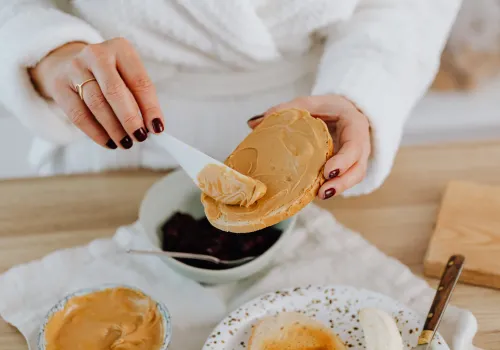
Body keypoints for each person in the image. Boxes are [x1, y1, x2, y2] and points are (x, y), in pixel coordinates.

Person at [0, 0, 461, 199]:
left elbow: (405, 7)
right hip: (115, 132)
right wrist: (51, 54)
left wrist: (359, 94)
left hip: (305, 144)